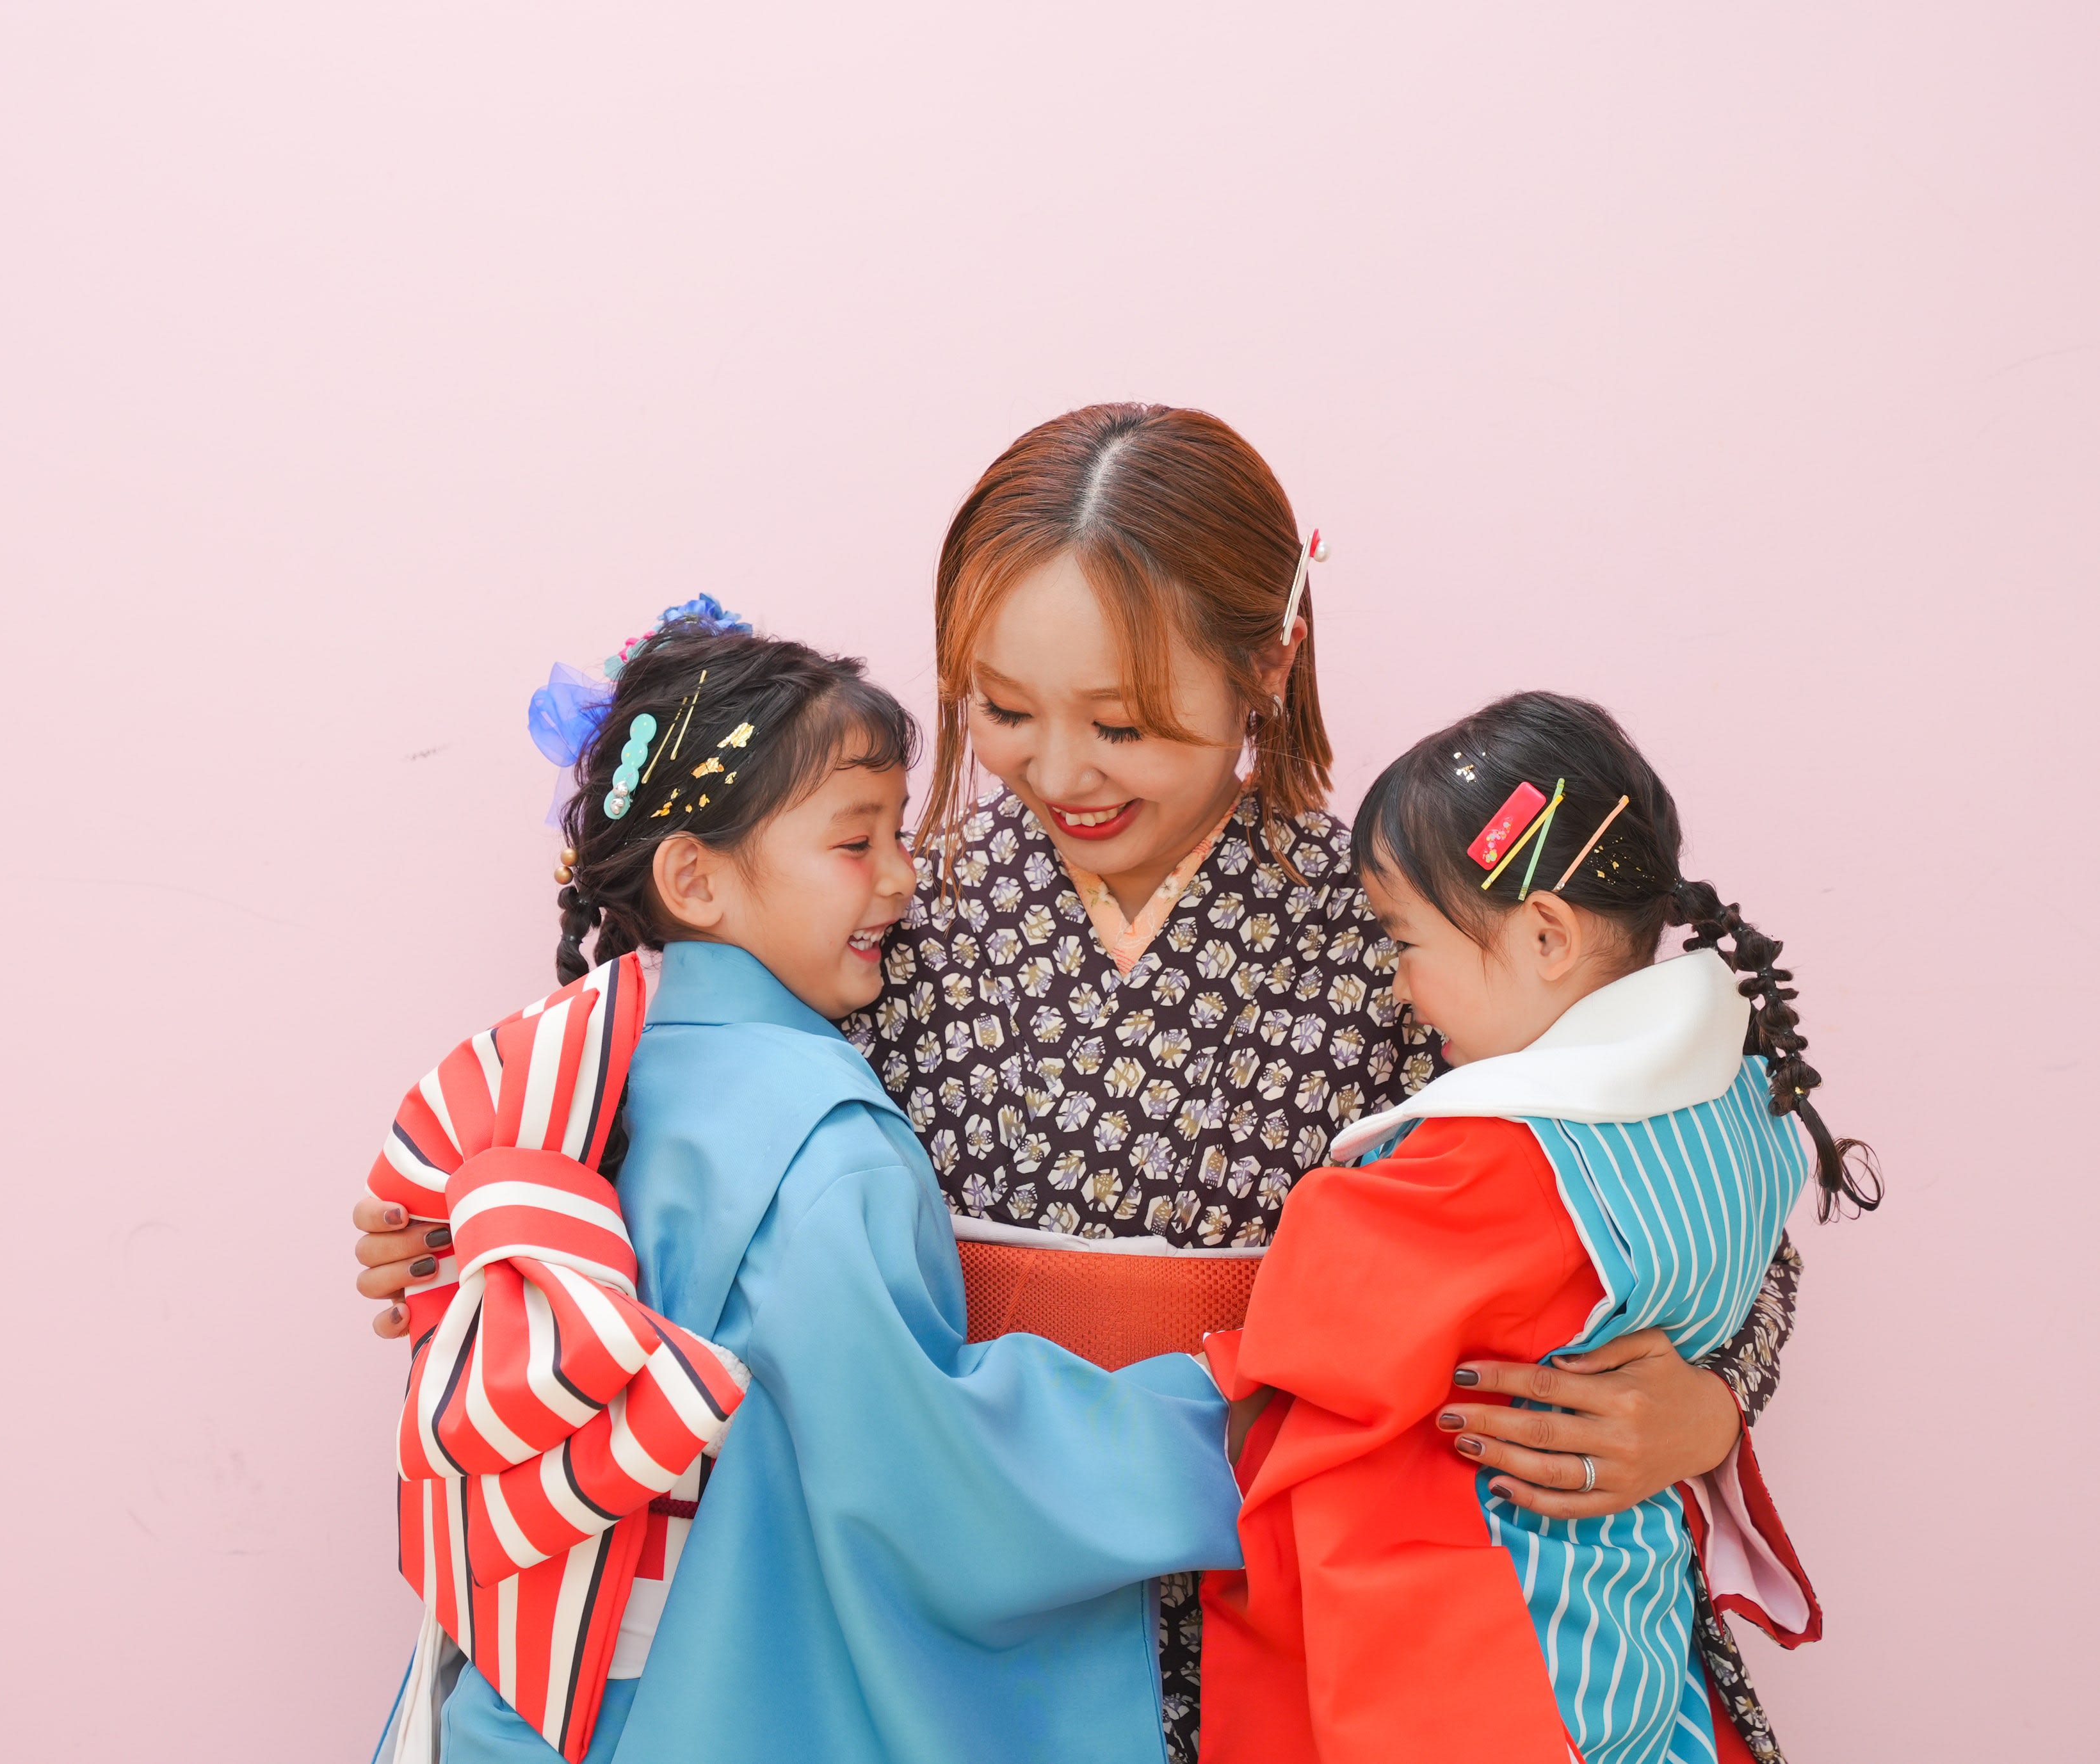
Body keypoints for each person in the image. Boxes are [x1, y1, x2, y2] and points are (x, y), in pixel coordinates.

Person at [358, 405, 1808, 1761]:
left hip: (1323, 1574)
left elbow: (1648, 1181)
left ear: (1267, 665)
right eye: (1001, 709)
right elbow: (696, 1173)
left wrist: (1707, 1402)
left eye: (1122, 725)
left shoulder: (1412, 921)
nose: (1060, 773)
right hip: (938, 1591)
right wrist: (492, 1223)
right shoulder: (877, 905)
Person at [378, 612, 1246, 1764]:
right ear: (694, 877)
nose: (902, 877)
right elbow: (925, 1463)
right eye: (855, 843)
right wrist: (1215, 1422)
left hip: (541, 1676)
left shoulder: (563, 1081)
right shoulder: (824, 1146)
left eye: (899, 832)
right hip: (692, 1687)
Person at [1200, 692, 1876, 1764]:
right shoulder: (1745, 1108)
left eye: (1406, 942)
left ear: (1547, 936)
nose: (1398, 986)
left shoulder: (1509, 1158)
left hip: (1495, 1629)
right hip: (1627, 1601)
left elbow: (1327, 1313)